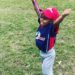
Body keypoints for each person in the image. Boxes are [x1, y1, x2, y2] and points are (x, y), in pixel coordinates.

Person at [31, 0, 71, 75]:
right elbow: (37, 9)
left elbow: (57, 22)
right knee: (47, 70)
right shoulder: (42, 20)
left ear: (51, 21)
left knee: (46, 72)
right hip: (42, 52)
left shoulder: (52, 27)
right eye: (42, 16)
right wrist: (33, 1)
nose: (42, 19)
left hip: (48, 54)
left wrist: (62, 16)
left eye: (45, 19)